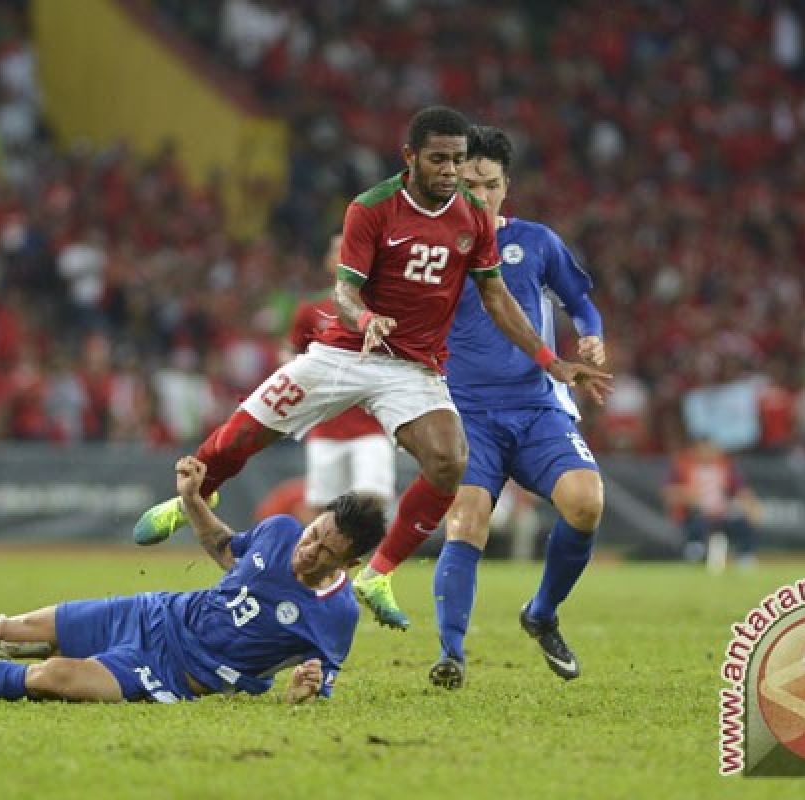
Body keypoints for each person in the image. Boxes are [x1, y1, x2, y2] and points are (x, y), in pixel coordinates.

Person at [133, 106, 613, 632]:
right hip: (347, 352)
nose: (450, 171)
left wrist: (553, 362)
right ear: (409, 157)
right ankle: (193, 495)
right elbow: (344, 291)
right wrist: (364, 317)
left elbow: (497, 299)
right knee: (243, 434)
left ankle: (379, 574)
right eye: (439, 159)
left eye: (457, 160)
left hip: (413, 368)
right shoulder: (373, 208)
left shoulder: (473, 218)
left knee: (450, 462)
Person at [0, 457, 386, 705]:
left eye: (324, 552)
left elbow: (319, 682)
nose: (308, 550)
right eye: (314, 534)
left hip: (174, 671)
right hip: (152, 613)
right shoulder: (282, 530)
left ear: (350, 563)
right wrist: (191, 500)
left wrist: (305, 692)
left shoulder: (336, 616)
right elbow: (223, 548)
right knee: (12, 630)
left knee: (51, 677)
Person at [429, 126, 608, 689]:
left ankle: (542, 613)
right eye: (471, 184)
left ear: (507, 187)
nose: (481, 196)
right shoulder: (434, 248)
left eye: (491, 184)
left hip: (536, 406)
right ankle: (452, 655)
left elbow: (580, 301)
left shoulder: (536, 241)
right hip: (465, 412)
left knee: (584, 502)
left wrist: (591, 334)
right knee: (467, 519)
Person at [284, 231, 396, 525]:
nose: (346, 257)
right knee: (323, 505)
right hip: (326, 425)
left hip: (371, 425)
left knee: (373, 497)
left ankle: (369, 566)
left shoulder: (382, 309)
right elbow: (290, 355)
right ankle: (320, 565)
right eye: (339, 252)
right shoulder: (311, 310)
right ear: (329, 261)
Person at [663, 437, 761, 565]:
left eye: (711, 449)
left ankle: (745, 556)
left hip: (722, 513)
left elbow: (741, 491)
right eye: (704, 449)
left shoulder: (725, 467)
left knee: (742, 523)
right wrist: (687, 496)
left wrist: (751, 505)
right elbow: (668, 493)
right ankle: (695, 553)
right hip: (695, 512)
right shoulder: (684, 466)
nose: (708, 453)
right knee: (697, 523)